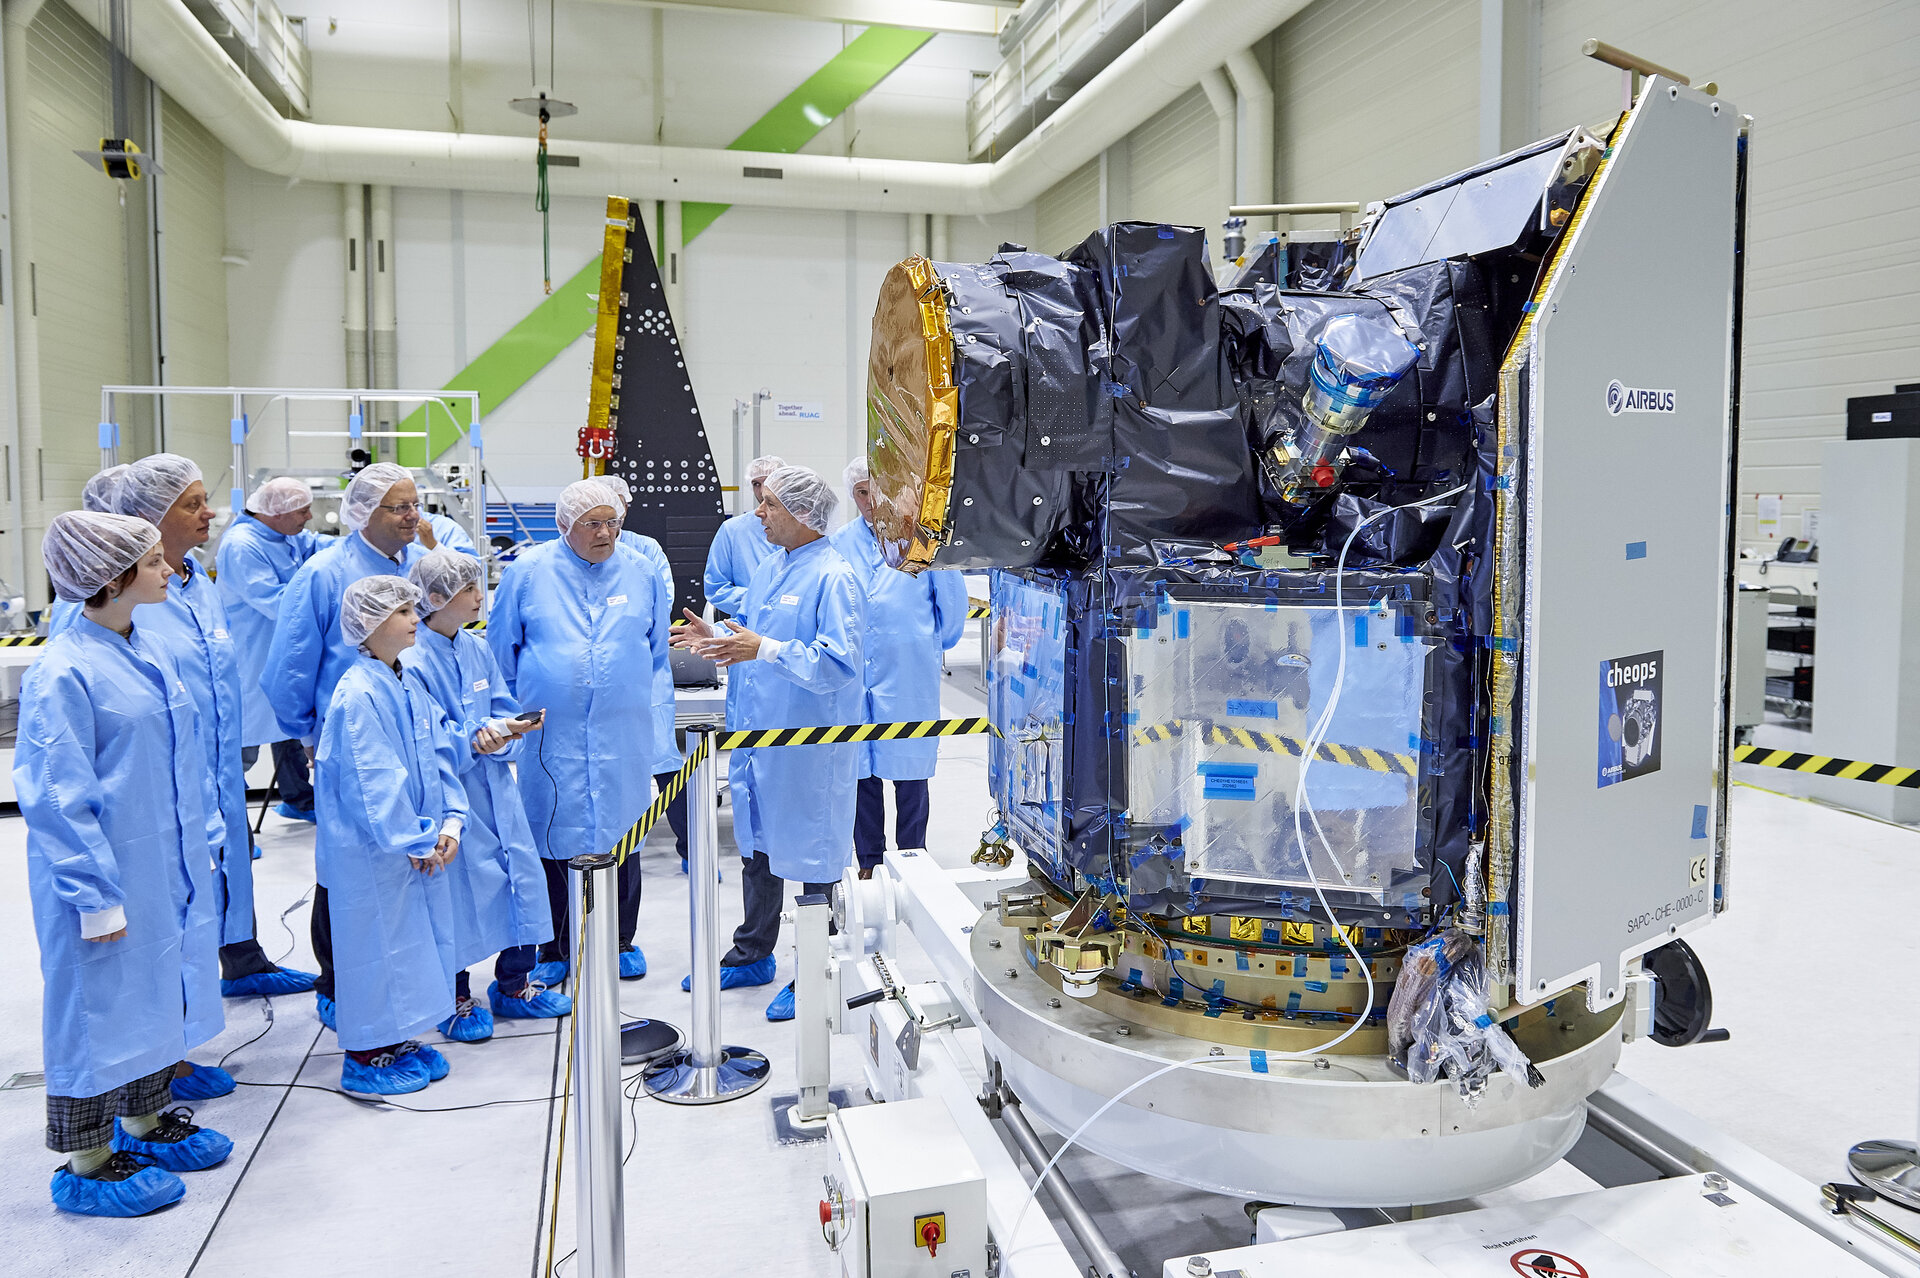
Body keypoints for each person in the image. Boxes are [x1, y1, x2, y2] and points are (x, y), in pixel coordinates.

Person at [21, 512, 234, 1217]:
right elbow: (56, 795)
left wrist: (199, 837)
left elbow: (182, 755)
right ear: (111, 580)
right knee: (95, 1008)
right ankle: (87, 1161)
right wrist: (92, 896)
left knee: (149, 993)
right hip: (101, 878)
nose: (169, 569)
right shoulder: (64, 670)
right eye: (151, 563)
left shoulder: (143, 647)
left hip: (156, 866)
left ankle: (144, 1122)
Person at [74, 457, 316, 1020]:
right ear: (147, 516)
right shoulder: (107, 600)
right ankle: (160, 1058)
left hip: (214, 760)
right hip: (158, 773)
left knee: (227, 861)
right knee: (167, 894)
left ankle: (242, 960)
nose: (210, 512)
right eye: (192, 504)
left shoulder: (192, 579)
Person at [674, 465, 863, 1020]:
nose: (759, 512)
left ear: (803, 515)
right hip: (760, 737)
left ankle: (815, 970)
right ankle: (754, 951)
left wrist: (767, 650)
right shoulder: (772, 569)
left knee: (812, 854)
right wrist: (722, 639)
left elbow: (839, 663)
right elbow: (755, 639)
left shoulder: (833, 576)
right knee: (757, 847)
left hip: (809, 748)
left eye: (771, 505)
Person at [265, 462, 429, 1029]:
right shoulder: (325, 575)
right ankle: (336, 981)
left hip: (406, 735)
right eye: (399, 507)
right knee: (347, 862)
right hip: (349, 743)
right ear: (364, 512)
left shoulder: (415, 569)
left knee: (403, 860)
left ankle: (396, 982)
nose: (413, 516)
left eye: (415, 504)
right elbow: (288, 670)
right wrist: (313, 737)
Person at [489, 479, 673, 984]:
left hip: (622, 733)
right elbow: (503, 649)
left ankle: (620, 940)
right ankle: (554, 948)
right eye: (592, 523)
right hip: (552, 737)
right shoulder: (527, 572)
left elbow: (655, 646)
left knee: (623, 830)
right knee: (551, 831)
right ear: (564, 526)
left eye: (612, 521)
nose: (605, 533)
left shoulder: (640, 571)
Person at [403, 549, 570, 1037]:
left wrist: (505, 729)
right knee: (454, 894)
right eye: (470, 589)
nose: (481, 596)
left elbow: (499, 700)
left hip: (496, 786)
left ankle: (513, 985)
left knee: (519, 876)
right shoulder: (412, 661)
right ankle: (453, 996)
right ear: (435, 599)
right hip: (449, 795)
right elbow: (426, 738)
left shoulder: (473, 646)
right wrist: (475, 736)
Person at [318, 575, 465, 1094]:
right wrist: (414, 840)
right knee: (375, 949)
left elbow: (439, 751)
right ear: (370, 624)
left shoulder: (405, 679)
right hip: (376, 853)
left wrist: (450, 821)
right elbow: (372, 781)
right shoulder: (357, 694)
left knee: (409, 946)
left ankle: (397, 1036)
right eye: (403, 612)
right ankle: (363, 1053)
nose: (413, 620)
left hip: (413, 845)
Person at [832, 456, 968, 877]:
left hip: (908, 672)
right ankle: (869, 862)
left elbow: (952, 608)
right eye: (861, 493)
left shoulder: (921, 541)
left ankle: (914, 858)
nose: (871, 500)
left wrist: (926, 644)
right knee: (861, 772)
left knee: (910, 770)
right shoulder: (838, 543)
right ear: (852, 497)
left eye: (878, 490)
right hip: (854, 676)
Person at [217, 477, 323, 824]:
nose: (309, 516)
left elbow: (316, 545)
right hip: (249, 655)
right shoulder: (242, 545)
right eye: (302, 510)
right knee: (242, 746)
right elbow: (276, 602)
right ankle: (234, 829)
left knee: (289, 728)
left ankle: (298, 800)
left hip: (278, 649)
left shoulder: (283, 535)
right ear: (275, 513)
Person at [599, 474, 690, 871]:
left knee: (667, 764)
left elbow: (660, 602)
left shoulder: (644, 550)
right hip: (599, 683)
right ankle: (613, 857)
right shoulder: (568, 558)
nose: (610, 523)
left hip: (646, 672)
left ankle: (692, 848)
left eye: (617, 511)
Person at [702, 454, 785, 617]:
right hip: (747, 623)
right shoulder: (732, 530)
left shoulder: (802, 527)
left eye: (769, 482)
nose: (762, 491)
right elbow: (716, 587)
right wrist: (757, 601)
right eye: (756, 484)